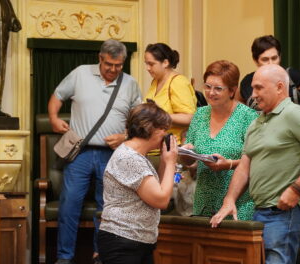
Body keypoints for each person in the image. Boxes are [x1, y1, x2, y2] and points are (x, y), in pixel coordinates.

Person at [210, 64, 300, 264]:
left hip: (287, 212)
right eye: (253, 88)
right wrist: (229, 200)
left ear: (279, 87)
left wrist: (296, 189)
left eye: (259, 88)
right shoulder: (256, 123)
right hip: (261, 211)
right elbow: (245, 166)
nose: (253, 94)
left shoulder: (294, 114)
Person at [48, 39, 142, 264]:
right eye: (109, 64)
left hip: (113, 155)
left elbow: (139, 120)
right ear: (100, 58)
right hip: (80, 153)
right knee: (69, 204)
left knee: (108, 209)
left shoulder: (130, 83)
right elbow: (56, 96)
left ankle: (102, 256)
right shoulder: (80, 73)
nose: (113, 70)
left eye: (118, 65)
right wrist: (53, 118)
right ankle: (64, 258)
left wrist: (126, 137)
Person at [98, 102, 178, 264]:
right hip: (123, 240)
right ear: (151, 129)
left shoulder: (136, 156)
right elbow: (161, 200)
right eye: (163, 129)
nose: (165, 134)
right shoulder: (130, 158)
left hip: (137, 240)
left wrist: (165, 160)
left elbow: (159, 188)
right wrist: (171, 163)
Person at [182, 60, 258, 220]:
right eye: (207, 87)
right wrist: (187, 156)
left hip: (238, 204)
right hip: (203, 201)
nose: (211, 93)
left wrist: (228, 164)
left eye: (218, 89)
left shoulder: (248, 116)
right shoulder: (200, 114)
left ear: (232, 91)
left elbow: (257, 161)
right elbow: (192, 166)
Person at [237, 35, 300, 124]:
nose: (271, 63)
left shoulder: (289, 75)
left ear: (280, 57)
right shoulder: (247, 82)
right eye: (265, 59)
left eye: (274, 58)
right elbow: (238, 105)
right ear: (256, 60)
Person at [144, 43, 197, 145]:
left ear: (165, 63)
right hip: (155, 145)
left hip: (174, 146)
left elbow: (190, 118)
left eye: (151, 64)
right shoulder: (155, 81)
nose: (147, 68)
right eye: (146, 64)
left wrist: (160, 115)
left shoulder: (178, 82)